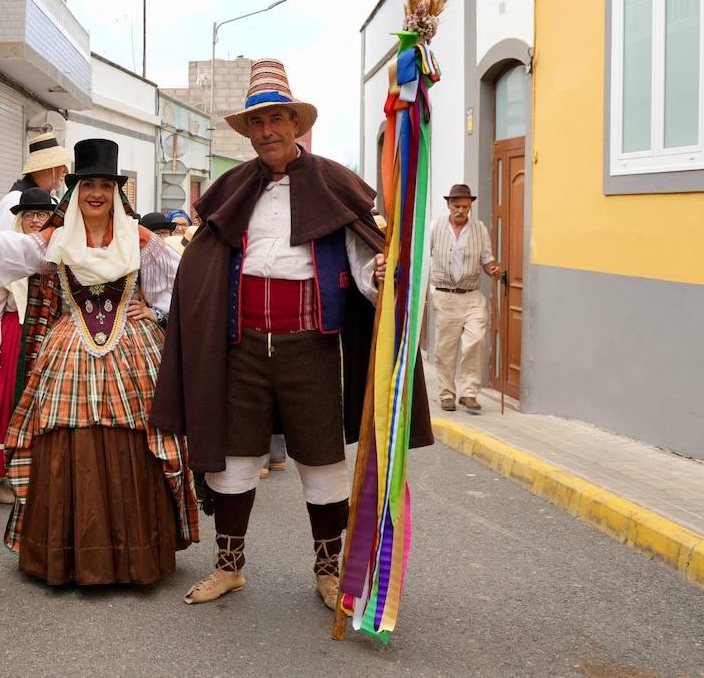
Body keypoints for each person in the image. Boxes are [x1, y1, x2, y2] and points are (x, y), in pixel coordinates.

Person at [151, 58, 434, 611]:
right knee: (233, 461)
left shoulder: (333, 185)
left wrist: (381, 278)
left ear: (295, 123)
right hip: (243, 347)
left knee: (322, 461)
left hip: (312, 349)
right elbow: (203, 268)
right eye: (256, 124)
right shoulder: (232, 188)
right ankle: (229, 568)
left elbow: (364, 266)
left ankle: (329, 573)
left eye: (276, 119)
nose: (266, 132)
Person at [0, 139, 198, 586]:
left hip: (131, 348)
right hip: (70, 347)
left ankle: (136, 552)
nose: (96, 193)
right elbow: (2, 260)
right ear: (75, 190)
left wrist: (157, 312)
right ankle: (66, 554)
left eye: (105, 185)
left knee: (137, 439)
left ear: (116, 192)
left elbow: (181, 281)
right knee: (63, 440)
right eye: (88, 184)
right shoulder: (55, 238)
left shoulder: (140, 237)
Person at [0, 186, 56, 505]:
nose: (35, 220)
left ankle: (30, 474)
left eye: (42, 214)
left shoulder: (55, 247)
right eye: (29, 214)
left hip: (47, 336)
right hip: (14, 337)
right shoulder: (6, 252)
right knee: (7, 404)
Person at [428, 183, 503, 414]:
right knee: (445, 349)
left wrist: (493, 270)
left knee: (476, 340)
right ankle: (447, 394)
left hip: (472, 296)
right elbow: (423, 254)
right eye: (457, 206)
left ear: (470, 206)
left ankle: (469, 393)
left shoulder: (479, 229)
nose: (461, 210)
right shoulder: (435, 227)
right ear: (448, 205)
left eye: (465, 206)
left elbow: (487, 258)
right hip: (445, 295)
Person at [0, 132, 71, 218]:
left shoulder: (55, 200)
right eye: (61, 164)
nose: (66, 170)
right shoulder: (14, 200)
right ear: (47, 168)